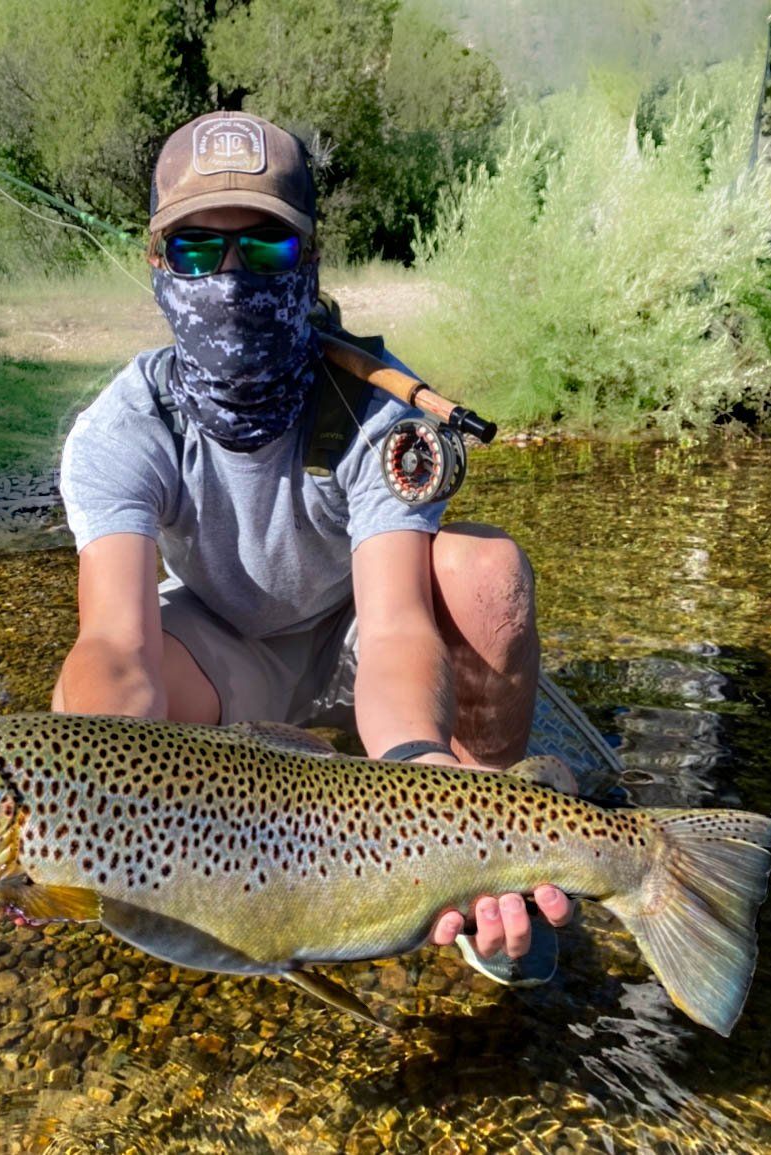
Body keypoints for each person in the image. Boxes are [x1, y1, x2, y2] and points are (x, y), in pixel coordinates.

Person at [53, 111, 574, 977]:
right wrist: (80, 814)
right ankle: (202, 883)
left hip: (354, 642)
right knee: (82, 716)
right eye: (195, 250)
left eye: (264, 248)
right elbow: (114, 643)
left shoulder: (374, 412)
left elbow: (401, 628)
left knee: (486, 573)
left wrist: (421, 772)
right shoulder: (124, 426)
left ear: (309, 261)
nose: (228, 276)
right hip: (223, 654)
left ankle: (496, 851)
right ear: (157, 264)